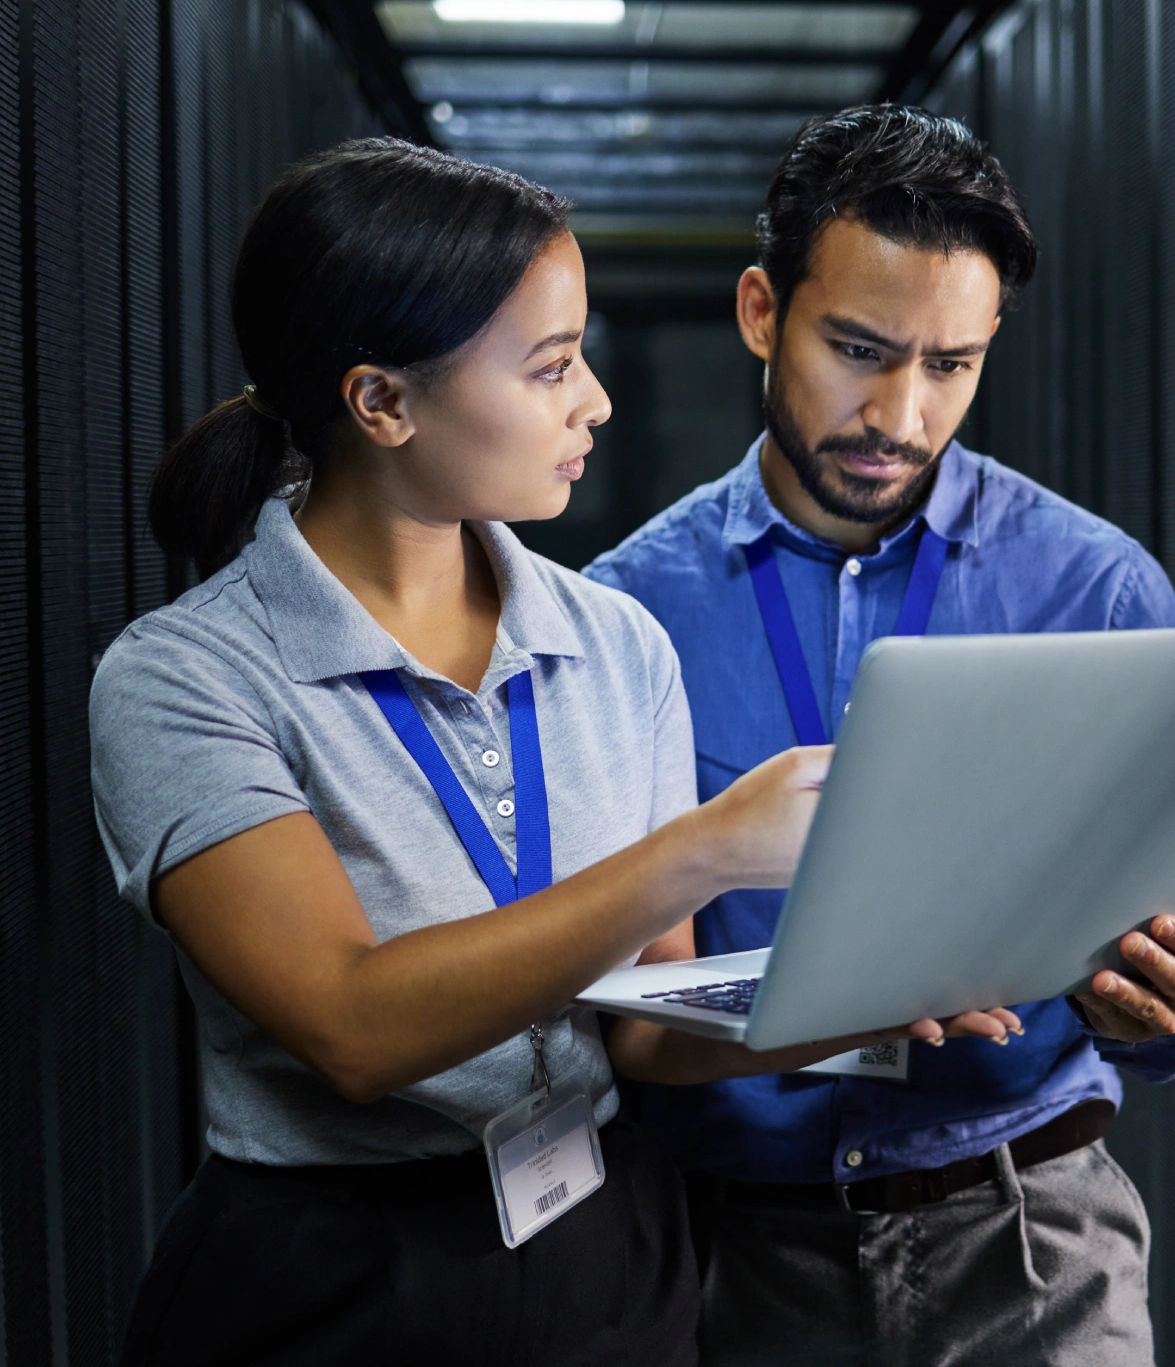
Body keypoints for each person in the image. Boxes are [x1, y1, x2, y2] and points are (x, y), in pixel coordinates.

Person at [91, 139, 1014, 1367]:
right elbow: (352, 1025)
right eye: (552, 366)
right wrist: (703, 849)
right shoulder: (185, 678)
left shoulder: (616, 641)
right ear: (384, 402)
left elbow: (641, 1025)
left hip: (604, 1253)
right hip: (332, 1281)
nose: (598, 400)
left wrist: (860, 1000)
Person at [585, 105, 1175, 1367]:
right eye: (858, 348)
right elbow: (600, 977)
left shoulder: (1096, 589)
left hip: (1031, 1244)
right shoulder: (624, 614)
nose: (899, 412)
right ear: (757, 312)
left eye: (950, 364)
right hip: (726, 1256)